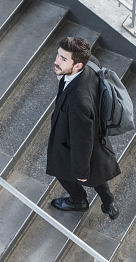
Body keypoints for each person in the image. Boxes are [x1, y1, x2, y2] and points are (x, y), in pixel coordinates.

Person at [47, 36, 121, 219]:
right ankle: (108, 202)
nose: (56, 61)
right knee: (97, 170)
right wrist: (64, 76)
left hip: (75, 135)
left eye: (63, 59)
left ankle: (79, 201)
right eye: (58, 55)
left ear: (77, 66)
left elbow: (81, 140)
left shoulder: (78, 103)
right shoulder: (91, 63)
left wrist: (80, 171)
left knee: (61, 171)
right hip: (94, 130)